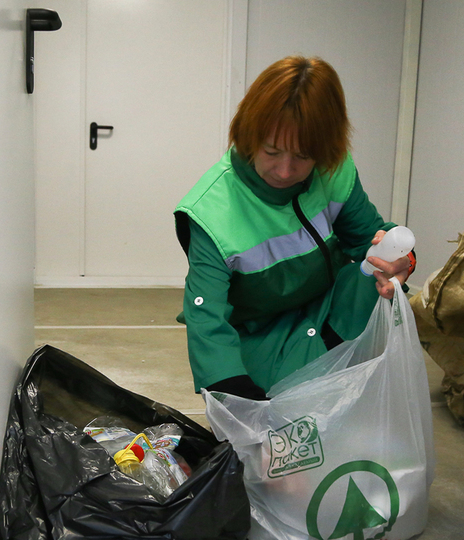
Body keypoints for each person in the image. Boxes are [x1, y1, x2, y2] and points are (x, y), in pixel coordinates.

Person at [173, 56, 416, 401]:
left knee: (372, 274)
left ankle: (339, 371)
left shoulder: (334, 169)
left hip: (326, 309)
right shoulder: (210, 211)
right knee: (272, 409)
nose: (285, 171)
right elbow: (206, 316)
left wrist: (402, 260)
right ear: (247, 136)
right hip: (259, 331)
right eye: (271, 151)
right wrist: (232, 391)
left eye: (303, 156)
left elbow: (370, 238)